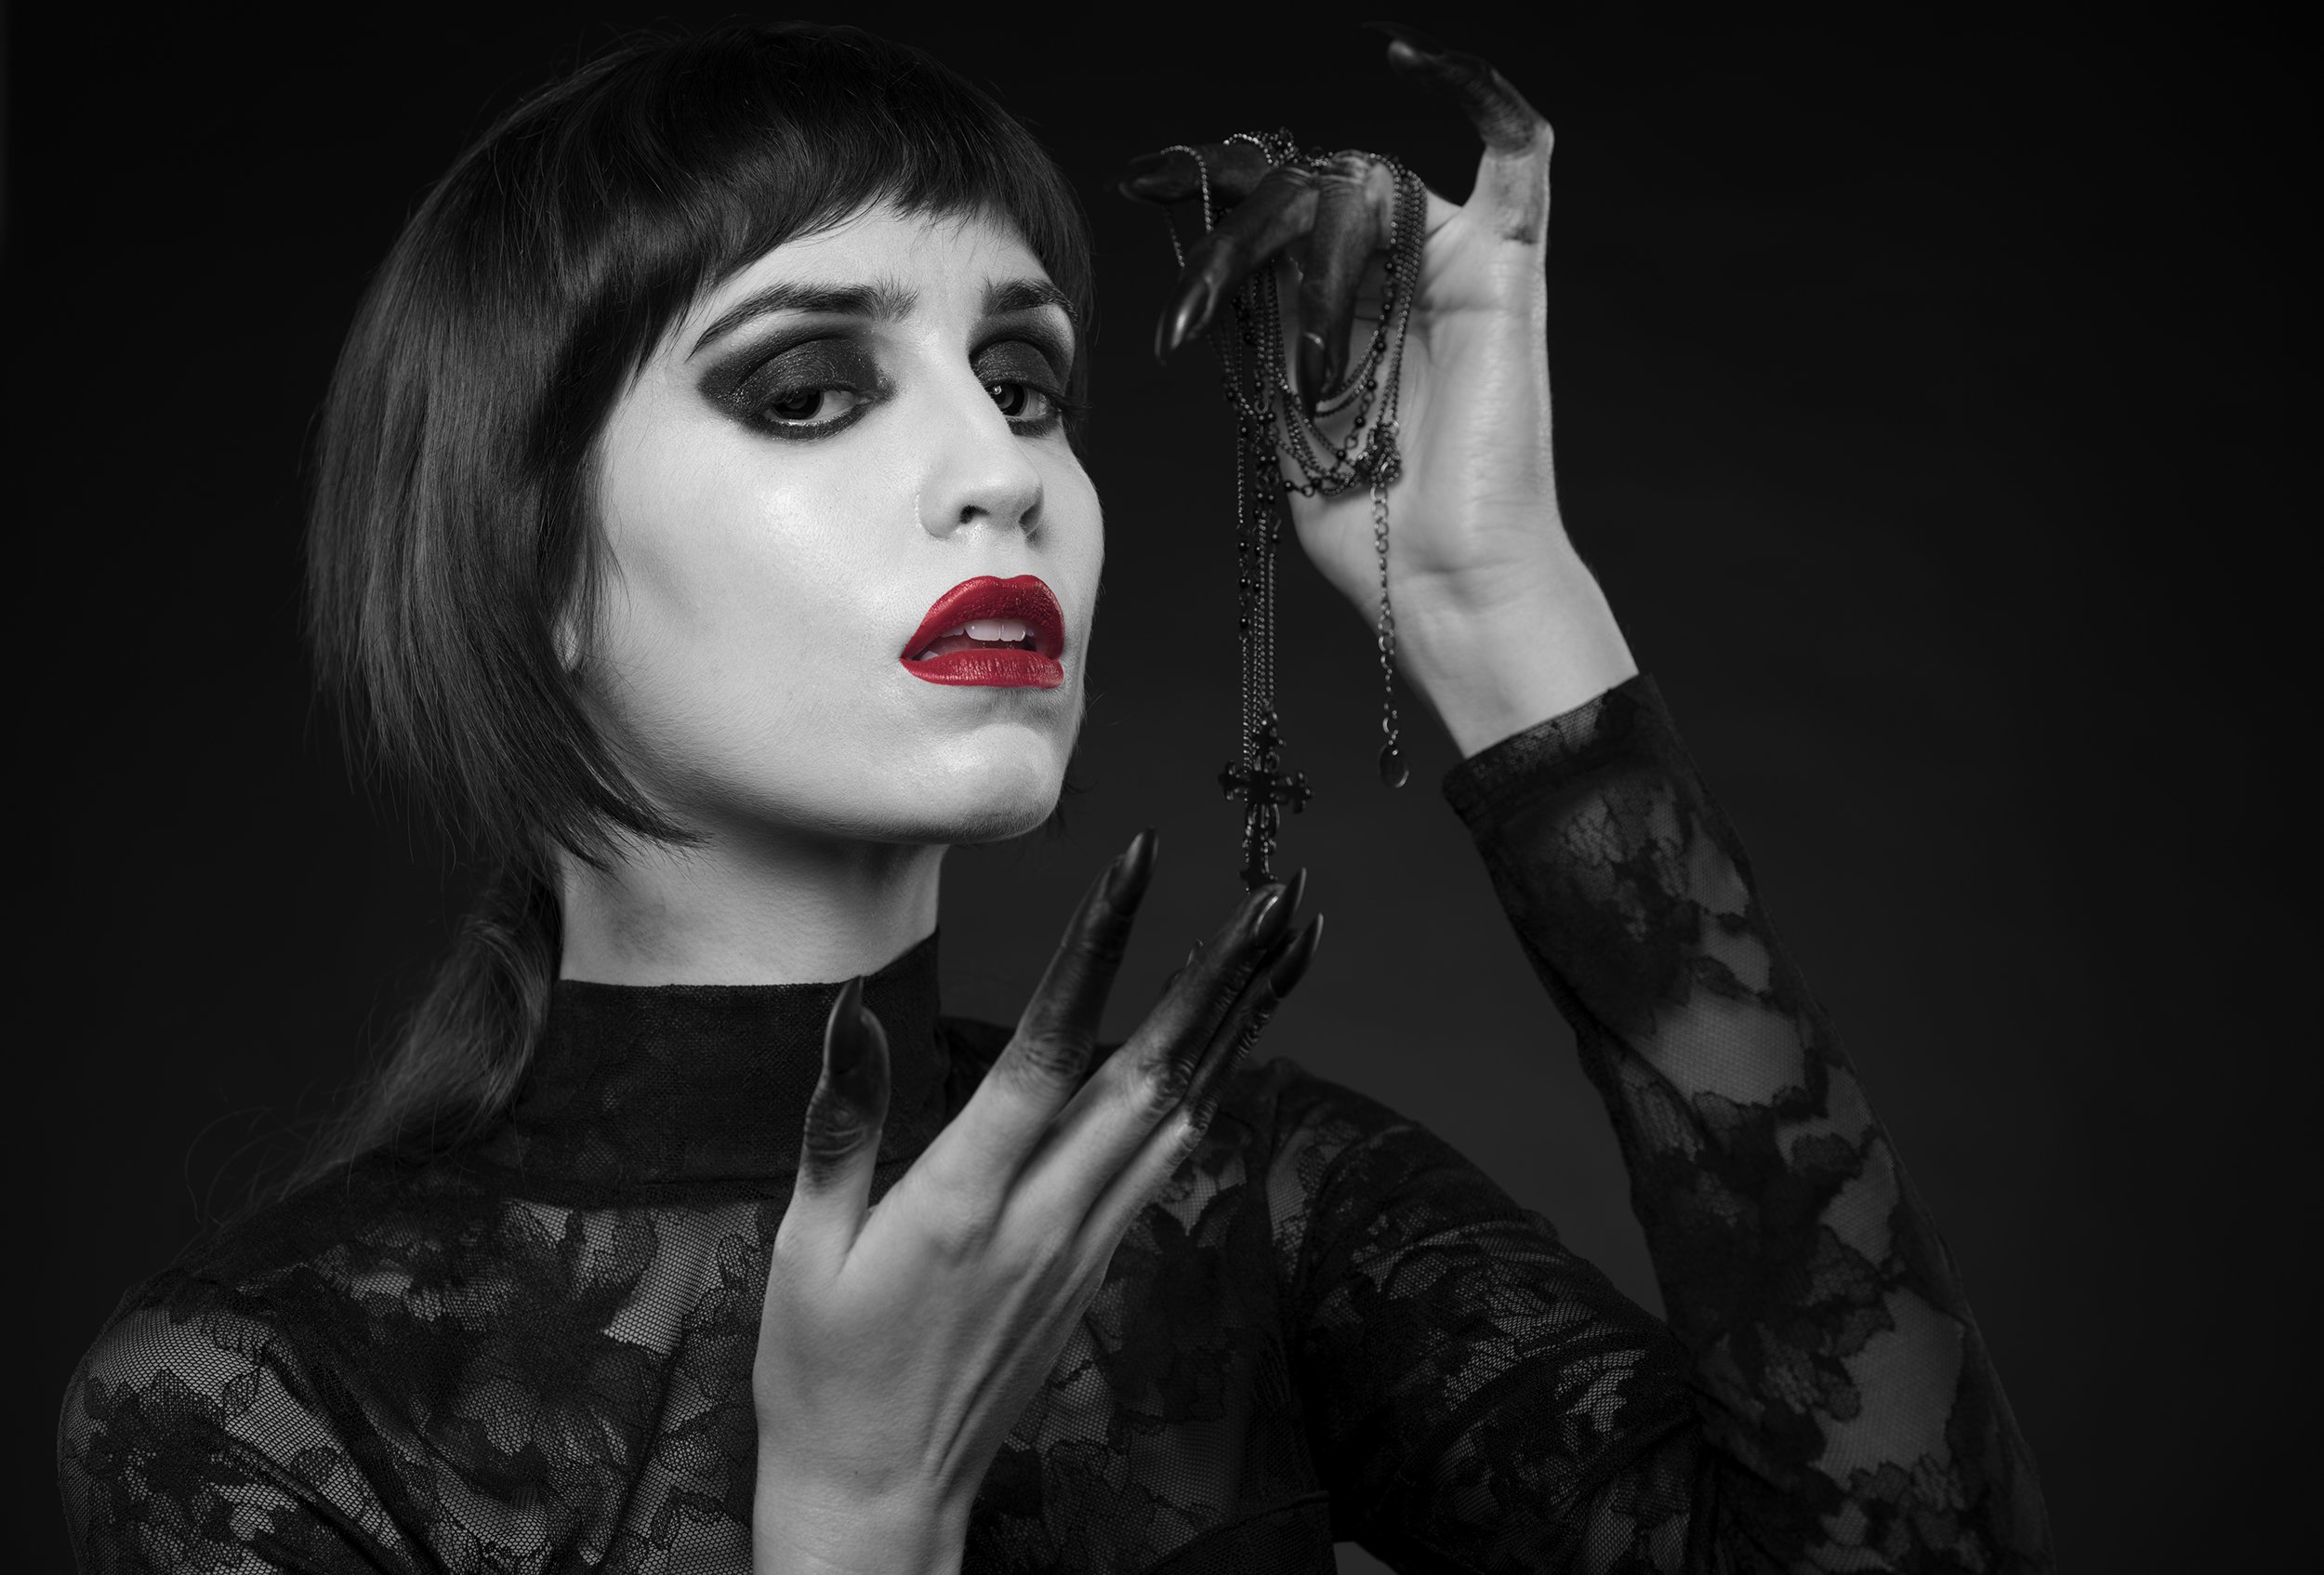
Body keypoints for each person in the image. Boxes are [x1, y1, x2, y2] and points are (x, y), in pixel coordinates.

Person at [55, 20, 2053, 1573]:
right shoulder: (252, 1399)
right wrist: (852, 1524)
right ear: (526, 573)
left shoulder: (1235, 1195)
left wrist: (1488, 599)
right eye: (808, 390)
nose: (1001, 470)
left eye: (1023, 381)